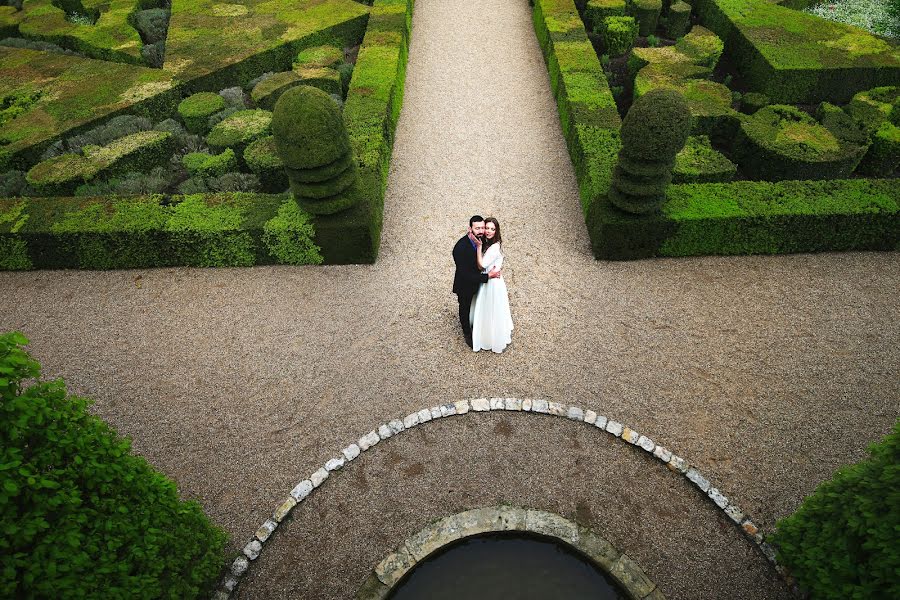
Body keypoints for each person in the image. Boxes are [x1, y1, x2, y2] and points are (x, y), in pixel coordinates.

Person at [452, 216, 501, 348]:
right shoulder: (460, 248)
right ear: (470, 229)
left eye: (482, 227)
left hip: (477, 283)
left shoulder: (482, 240)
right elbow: (466, 275)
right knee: (465, 308)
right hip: (465, 285)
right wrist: (488, 276)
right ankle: (467, 333)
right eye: (477, 228)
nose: (481, 231)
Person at [470, 217, 513, 353]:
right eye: (487, 228)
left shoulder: (493, 247)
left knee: (490, 308)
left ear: (496, 231)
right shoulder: (491, 243)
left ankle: (489, 336)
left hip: (492, 283)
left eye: (492, 229)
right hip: (490, 279)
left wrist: (478, 248)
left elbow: (482, 265)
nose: (488, 231)